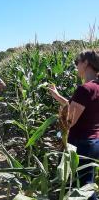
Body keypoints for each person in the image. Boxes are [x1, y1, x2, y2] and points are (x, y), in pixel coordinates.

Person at [48, 49, 99, 200]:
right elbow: (79, 107)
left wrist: (59, 124)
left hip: (80, 144)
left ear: (86, 63)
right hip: (94, 142)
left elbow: (69, 121)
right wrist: (57, 96)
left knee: (84, 189)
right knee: (85, 183)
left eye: (77, 62)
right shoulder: (95, 87)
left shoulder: (85, 89)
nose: (76, 65)